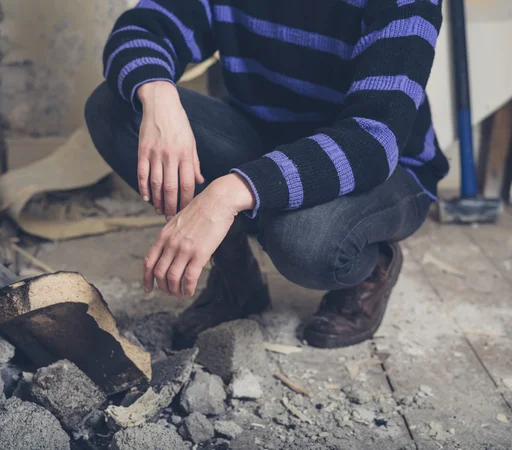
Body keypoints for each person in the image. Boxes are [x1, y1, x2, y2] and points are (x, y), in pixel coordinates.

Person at [85, 0, 449, 350]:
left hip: (385, 168)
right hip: (265, 139)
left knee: (303, 241)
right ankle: (237, 280)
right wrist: (157, 95)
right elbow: (146, 26)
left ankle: (375, 263)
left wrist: (227, 194)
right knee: (115, 109)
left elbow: (371, 142)